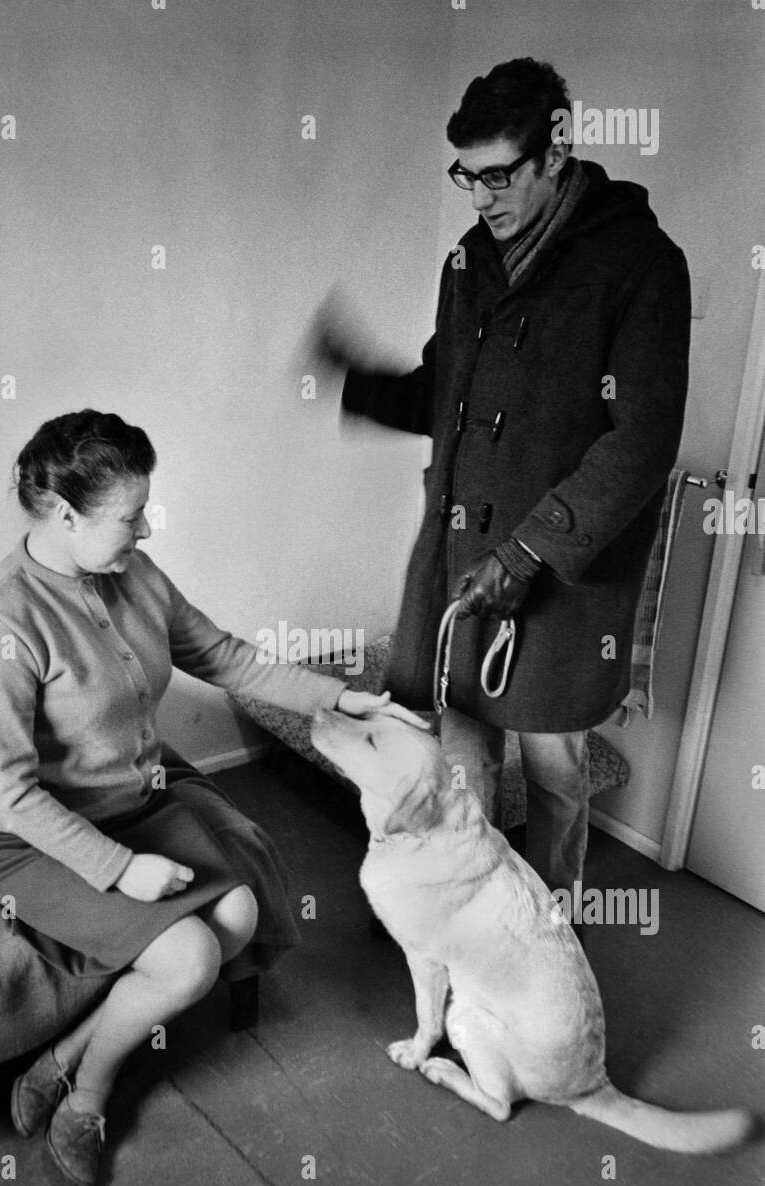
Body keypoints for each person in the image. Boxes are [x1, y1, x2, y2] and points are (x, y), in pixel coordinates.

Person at [0, 408, 420, 1186]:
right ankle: (88, 1098)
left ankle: (62, 1055)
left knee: (234, 916)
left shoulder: (132, 576)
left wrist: (340, 699)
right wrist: (119, 868)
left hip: (134, 800)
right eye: (131, 517)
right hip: (28, 834)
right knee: (191, 954)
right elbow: (5, 792)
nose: (146, 532)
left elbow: (224, 656)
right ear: (66, 515)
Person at [310, 57, 691, 904]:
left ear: (555, 153)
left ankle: (551, 930)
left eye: (498, 175)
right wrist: (356, 378)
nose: (480, 198)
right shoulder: (469, 262)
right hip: (459, 562)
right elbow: (446, 396)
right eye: (466, 177)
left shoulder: (641, 264)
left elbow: (640, 444)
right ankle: (472, 916)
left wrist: (524, 558)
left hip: (558, 578)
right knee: (464, 752)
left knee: (555, 771)